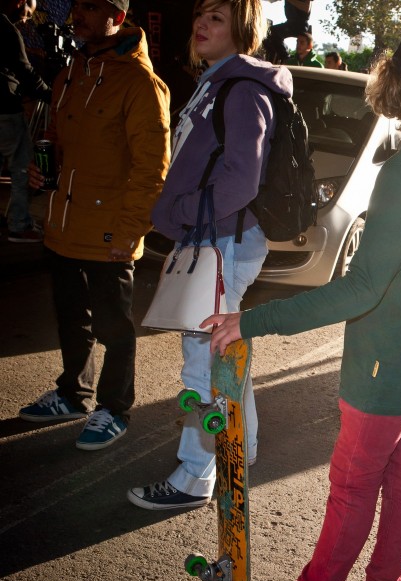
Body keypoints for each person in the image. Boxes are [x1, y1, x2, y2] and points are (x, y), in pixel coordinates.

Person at [204, 25, 401, 581]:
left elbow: (361, 290)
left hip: (389, 366)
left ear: (400, 85)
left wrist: (254, 319)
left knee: (353, 491)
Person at [127, 0, 291, 509]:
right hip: (217, 237)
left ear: (241, 30)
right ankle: (239, 453)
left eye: (217, 18)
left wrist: (178, 215)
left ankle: (196, 475)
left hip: (221, 240)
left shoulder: (241, 89)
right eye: (201, 15)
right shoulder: (221, 81)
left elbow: (241, 179)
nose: (201, 24)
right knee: (224, 355)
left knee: (204, 363)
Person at [18, 0, 170, 449]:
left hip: (110, 233)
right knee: (71, 320)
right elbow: (61, 145)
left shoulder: (142, 83)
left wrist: (129, 231)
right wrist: (42, 169)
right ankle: (73, 393)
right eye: (76, 5)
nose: (76, 14)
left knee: (114, 327)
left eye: (89, 7)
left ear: (117, 17)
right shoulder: (71, 73)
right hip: (64, 224)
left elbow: (152, 168)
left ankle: (114, 409)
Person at [1, 0, 51, 243]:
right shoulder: (6, 30)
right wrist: (52, 94)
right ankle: (19, 225)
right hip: (5, 110)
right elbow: (25, 71)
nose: (31, 15)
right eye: (32, 4)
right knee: (22, 169)